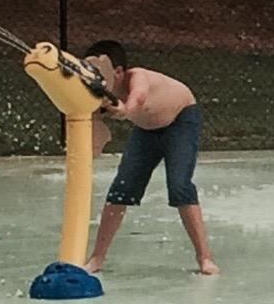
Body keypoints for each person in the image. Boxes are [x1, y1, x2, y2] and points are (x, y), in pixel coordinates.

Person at [81, 40, 219, 274]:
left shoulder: (138, 77)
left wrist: (124, 110)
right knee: (121, 188)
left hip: (181, 121)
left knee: (179, 185)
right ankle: (97, 258)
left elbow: (139, 97)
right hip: (147, 130)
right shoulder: (98, 91)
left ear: (119, 72)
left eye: (102, 73)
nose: (98, 79)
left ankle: (205, 258)